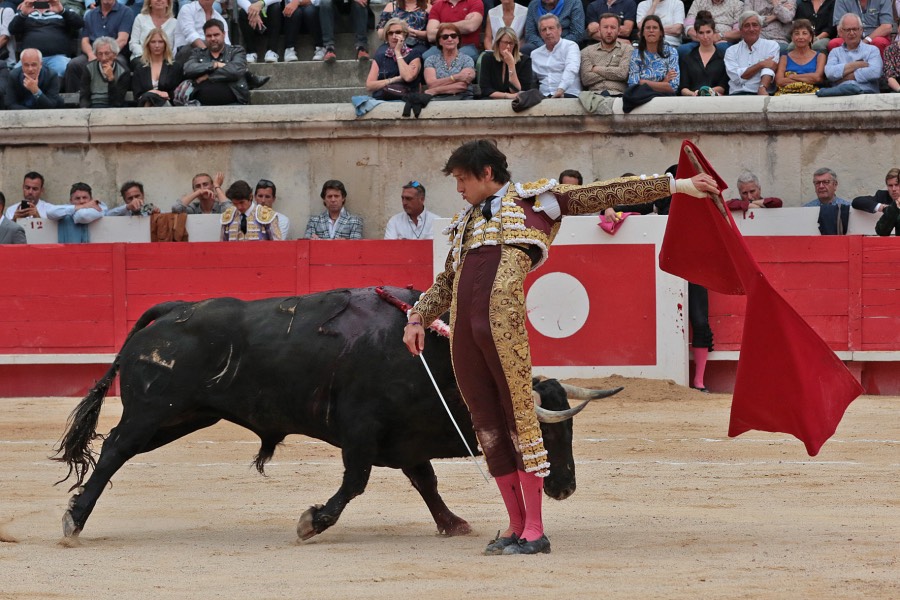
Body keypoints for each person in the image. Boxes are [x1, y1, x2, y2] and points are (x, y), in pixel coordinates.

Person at [402, 139, 719, 556]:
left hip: (503, 331)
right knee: (488, 427)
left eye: (462, 179)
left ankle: (535, 528)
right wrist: (417, 317)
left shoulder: (536, 201)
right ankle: (515, 525)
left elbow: (600, 194)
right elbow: (447, 281)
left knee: (520, 421)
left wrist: (677, 187)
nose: (458, 188)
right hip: (464, 335)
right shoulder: (464, 223)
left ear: (486, 174)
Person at [63, 0, 133, 93]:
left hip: (114, 53)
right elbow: (85, 41)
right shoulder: (90, 15)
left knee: (120, 64)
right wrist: (91, 54)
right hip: (93, 53)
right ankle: (74, 102)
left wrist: (107, 55)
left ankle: (117, 99)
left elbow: (122, 40)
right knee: (74, 65)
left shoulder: (126, 12)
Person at [8, 0, 84, 79]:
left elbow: (79, 24)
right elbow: (12, 30)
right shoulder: (25, 9)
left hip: (56, 57)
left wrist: (62, 11)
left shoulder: (62, 9)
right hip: (30, 58)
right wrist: (23, 14)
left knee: (63, 69)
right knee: (16, 74)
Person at [182, 19, 250, 105]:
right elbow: (188, 69)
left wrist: (207, 76)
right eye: (209, 36)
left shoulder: (236, 51)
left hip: (234, 103)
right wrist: (215, 64)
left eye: (216, 35)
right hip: (200, 106)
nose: (213, 38)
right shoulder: (198, 53)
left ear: (224, 34)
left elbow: (235, 71)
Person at [819, 13, 881, 96]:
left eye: (855, 29)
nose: (852, 33)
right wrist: (857, 65)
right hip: (840, 96)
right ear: (841, 32)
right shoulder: (835, 52)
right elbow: (830, 73)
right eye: (848, 30)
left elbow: (875, 72)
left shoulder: (872, 50)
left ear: (861, 30)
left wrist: (844, 77)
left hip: (867, 94)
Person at [366, 18, 424, 100]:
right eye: (390, 33)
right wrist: (394, 80)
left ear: (404, 34)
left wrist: (397, 52)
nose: (394, 36)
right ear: (387, 36)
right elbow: (369, 86)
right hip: (383, 99)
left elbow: (408, 77)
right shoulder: (380, 57)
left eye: (398, 32)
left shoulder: (414, 54)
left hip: (406, 99)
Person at [724, 10, 780, 95]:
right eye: (747, 26)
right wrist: (761, 64)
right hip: (737, 94)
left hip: (760, 93)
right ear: (741, 30)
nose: (751, 29)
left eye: (755, 25)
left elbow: (769, 69)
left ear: (760, 28)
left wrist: (762, 87)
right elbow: (738, 77)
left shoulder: (771, 45)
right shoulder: (731, 51)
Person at [580, 12, 632, 95]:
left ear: (619, 31)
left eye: (613, 27)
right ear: (599, 30)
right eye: (605, 27)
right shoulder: (586, 52)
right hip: (594, 96)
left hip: (618, 96)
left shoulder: (627, 49)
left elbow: (623, 73)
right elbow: (586, 79)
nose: (609, 31)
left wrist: (596, 69)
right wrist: (613, 72)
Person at [531, 14, 582, 97]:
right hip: (544, 97)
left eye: (551, 28)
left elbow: (571, 69)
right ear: (540, 34)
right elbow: (530, 79)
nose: (548, 32)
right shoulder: (535, 54)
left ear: (560, 30)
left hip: (568, 94)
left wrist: (560, 90)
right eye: (544, 29)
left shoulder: (570, 46)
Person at [423, 22, 477, 99]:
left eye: (453, 36)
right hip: (437, 100)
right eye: (445, 37)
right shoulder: (431, 60)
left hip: (462, 99)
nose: (450, 39)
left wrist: (435, 90)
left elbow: (461, 86)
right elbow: (431, 84)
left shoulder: (467, 59)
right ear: (439, 41)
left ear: (458, 40)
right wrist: (456, 78)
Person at [628, 14, 679, 94]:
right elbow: (633, 86)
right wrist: (663, 83)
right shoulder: (636, 54)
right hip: (641, 98)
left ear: (661, 33)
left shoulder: (671, 52)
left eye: (655, 28)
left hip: (665, 98)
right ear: (643, 33)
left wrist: (643, 82)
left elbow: (673, 87)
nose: (651, 31)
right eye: (648, 28)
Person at [678, 13, 727, 95]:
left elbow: (723, 86)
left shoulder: (723, 57)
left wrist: (706, 92)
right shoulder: (688, 58)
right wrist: (693, 94)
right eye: (701, 33)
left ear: (714, 32)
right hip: (693, 101)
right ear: (696, 34)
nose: (705, 36)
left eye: (708, 32)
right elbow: (683, 88)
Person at [132, 27, 182, 106]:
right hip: (144, 104)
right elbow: (137, 95)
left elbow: (176, 93)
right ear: (148, 44)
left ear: (165, 44)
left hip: (168, 105)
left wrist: (156, 95)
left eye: (160, 42)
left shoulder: (174, 67)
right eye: (153, 42)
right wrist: (156, 92)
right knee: (148, 98)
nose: (157, 45)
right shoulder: (140, 68)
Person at [479, 27, 533, 99]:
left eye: (511, 43)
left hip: (516, 103)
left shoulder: (525, 61)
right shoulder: (488, 58)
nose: (508, 46)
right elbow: (485, 89)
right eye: (505, 42)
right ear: (498, 43)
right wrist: (507, 96)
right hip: (491, 101)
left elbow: (518, 91)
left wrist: (511, 65)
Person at [773, 19, 824, 94]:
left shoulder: (820, 56)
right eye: (797, 34)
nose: (800, 37)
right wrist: (808, 78)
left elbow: (817, 78)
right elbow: (779, 81)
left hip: (811, 94)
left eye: (804, 33)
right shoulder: (784, 57)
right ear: (792, 38)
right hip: (786, 94)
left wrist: (793, 76)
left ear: (810, 38)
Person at [79, 36, 131, 107]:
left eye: (107, 53)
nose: (103, 58)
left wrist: (111, 79)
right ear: (96, 55)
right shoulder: (88, 68)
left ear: (115, 54)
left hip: (114, 107)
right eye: (100, 54)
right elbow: (84, 94)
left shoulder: (123, 71)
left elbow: (117, 101)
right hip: (94, 106)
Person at [129, 0, 176, 66]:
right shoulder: (140, 18)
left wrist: (162, 57)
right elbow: (133, 43)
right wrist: (147, 55)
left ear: (168, 3)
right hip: (141, 57)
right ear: (149, 3)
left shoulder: (175, 23)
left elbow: (175, 47)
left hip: (166, 58)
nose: (159, 0)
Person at [874, 168, 900, 236]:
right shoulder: (895, 206)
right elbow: (881, 231)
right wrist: (894, 206)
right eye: (890, 186)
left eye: (897, 185)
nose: (894, 189)